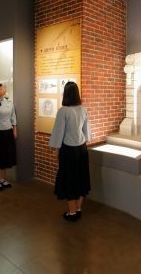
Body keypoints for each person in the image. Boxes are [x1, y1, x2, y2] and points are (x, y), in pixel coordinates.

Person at [49, 81, 91, 222]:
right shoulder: (83, 109)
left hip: (68, 150)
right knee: (81, 178)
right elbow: (86, 131)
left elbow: (58, 132)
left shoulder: (63, 111)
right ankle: (78, 209)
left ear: (65, 94)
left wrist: (56, 151)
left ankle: (72, 213)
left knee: (70, 179)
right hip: (82, 149)